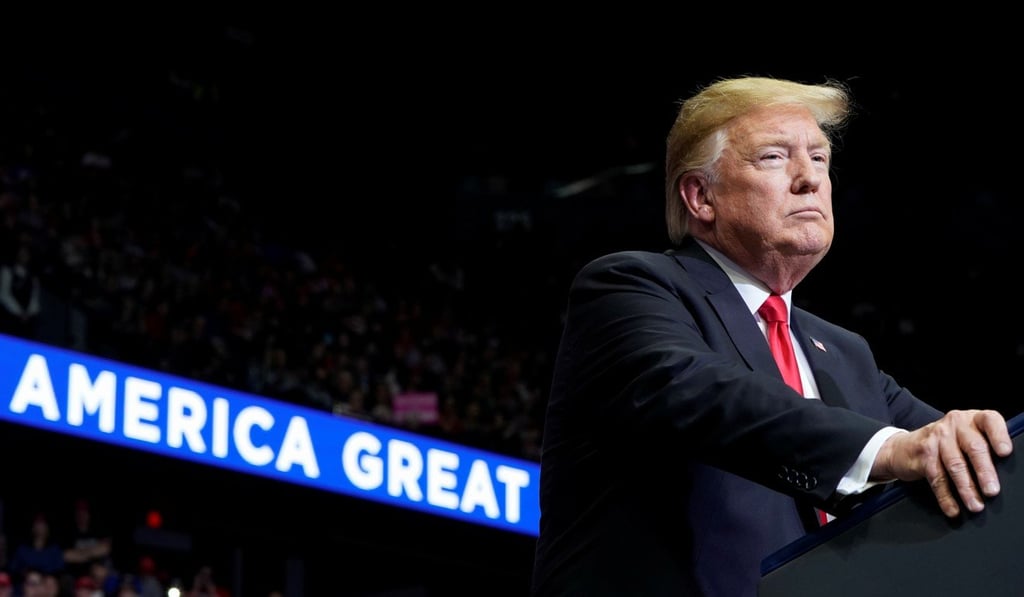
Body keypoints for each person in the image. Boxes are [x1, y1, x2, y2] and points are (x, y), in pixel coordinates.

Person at [529, 75, 1014, 597]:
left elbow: (953, 448)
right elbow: (704, 393)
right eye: (774, 157)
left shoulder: (846, 354)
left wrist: (975, 441)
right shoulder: (630, 288)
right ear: (700, 196)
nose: (810, 179)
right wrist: (888, 449)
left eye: (820, 158)